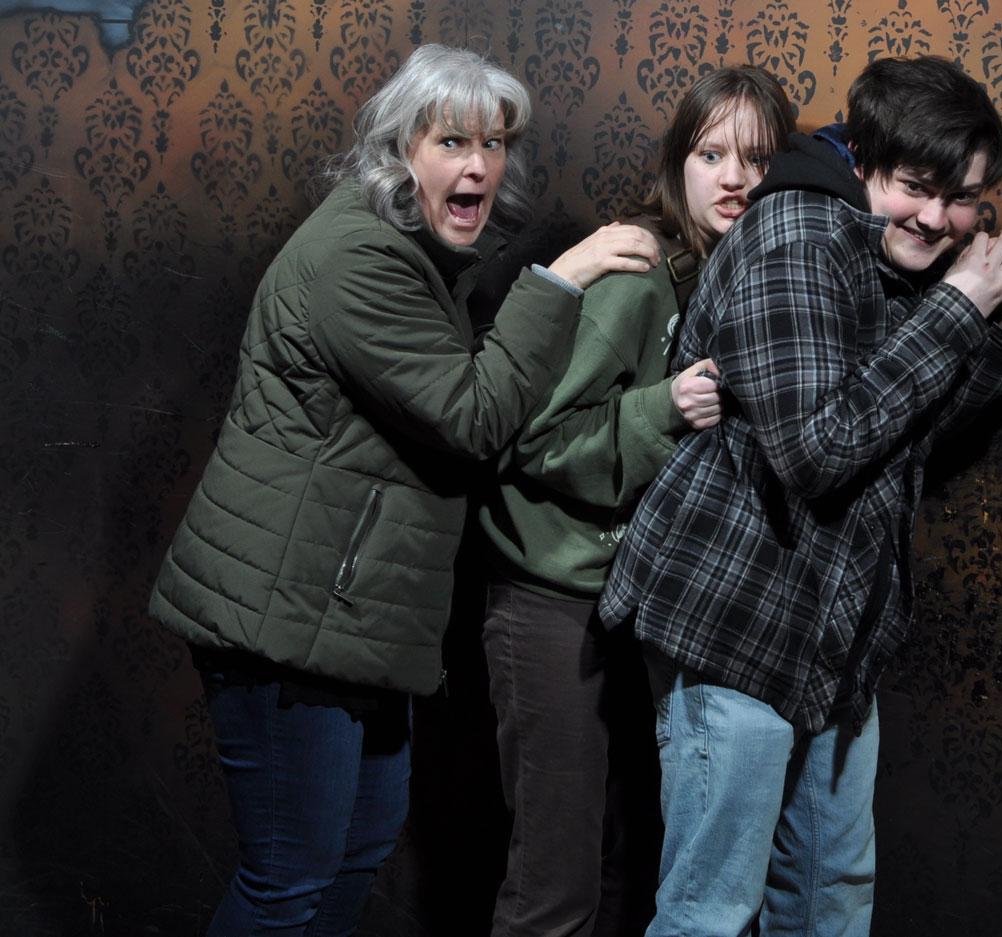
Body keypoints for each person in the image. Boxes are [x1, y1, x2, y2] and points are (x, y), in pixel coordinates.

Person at [147, 43, 659, 937]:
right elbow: (472, 414)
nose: (479, 165)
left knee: (354, 850)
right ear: (399, 150)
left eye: (494, 143)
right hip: (288, 624)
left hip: (346, 622)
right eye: (452, 141)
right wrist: (560, 280)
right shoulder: (358, 259)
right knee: (288, 877)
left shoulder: (410, 252)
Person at [599, 55, 1002, 937]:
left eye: (962, 199)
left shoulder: (894, 249)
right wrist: (959, 308)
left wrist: (999, 335)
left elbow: (913, 434)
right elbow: (819, 449)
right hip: (737, 623)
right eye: (917, 188)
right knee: (710, 912)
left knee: (828, 898)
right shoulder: (794, 237)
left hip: (835, 642)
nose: (938, 218)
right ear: (862, 159)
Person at [476, 66, 793, 937]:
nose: (734, 178)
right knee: (555, 885)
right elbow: (530, 439)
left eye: (758, 159)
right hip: (550, 595)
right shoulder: (638, 269)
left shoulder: (731, 273)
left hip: (629, 604)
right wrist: (662, 409)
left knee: (623, 868)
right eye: (711, 154)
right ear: (676, 163)